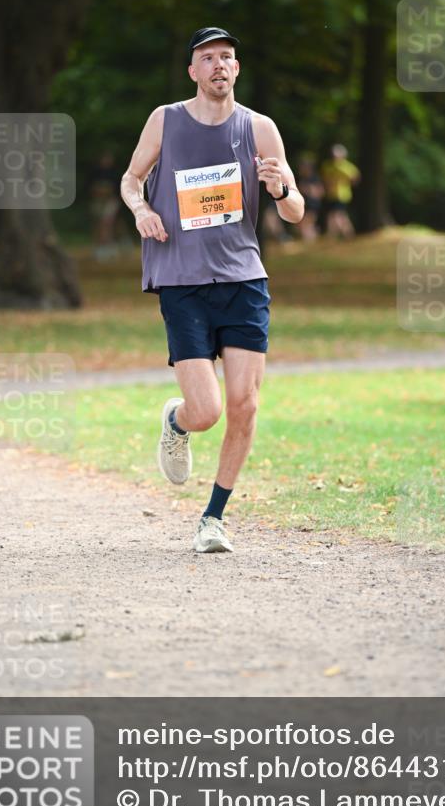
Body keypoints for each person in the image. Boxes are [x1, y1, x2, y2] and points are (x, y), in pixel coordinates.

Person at [121, 27, 304, 552]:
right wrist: (141, 209)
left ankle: (213, 519)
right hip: (182, 280)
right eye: (208, 58)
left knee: (245, 403)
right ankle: (177, 421)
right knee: (207, 411)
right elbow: (131, 179)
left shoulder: (259, 128)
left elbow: (295, 211)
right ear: (193, 71)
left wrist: (281, 189)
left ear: (237, 69)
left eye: (227, 57)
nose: (219, 65)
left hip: (243, 278)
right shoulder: (165, 119)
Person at [320, 143, 360, 238]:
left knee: (336, 216)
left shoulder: (347, 166)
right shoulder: (327, 166)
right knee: (339, 216)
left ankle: (336, 236)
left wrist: (345, 181)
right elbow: (324, 178)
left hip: (343, 195)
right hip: (331, 195)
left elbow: (356, 178)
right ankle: (347, 235)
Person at [87, 151, 122, 260]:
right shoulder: (94, 173)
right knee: (99, 224)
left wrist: (106, 192)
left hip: (110, 202)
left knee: (107, 223)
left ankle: (109, 247)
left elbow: (116, 190)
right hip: (97, 202)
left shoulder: (114, 174)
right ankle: (99, 248)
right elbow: (90, 188)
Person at [297, 152, 325, 241]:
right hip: (304, 205)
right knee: (304, 225)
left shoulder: (314, 178)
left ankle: (310, 241)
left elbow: (320, 192)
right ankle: (311, 240)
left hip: (312, 205)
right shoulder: (302, 178)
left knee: (306, 223)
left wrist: (309, 190)